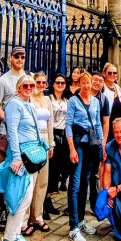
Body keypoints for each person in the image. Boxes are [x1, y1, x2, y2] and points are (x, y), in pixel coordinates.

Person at [0, 75, 41, 241]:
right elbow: (12, 131)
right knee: (20, 197)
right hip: (21, 156)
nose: (29, 87)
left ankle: (15, 235)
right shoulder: (14, 104)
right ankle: (7, 240)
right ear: (18, 88)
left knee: (27, 196)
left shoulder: (29, 105)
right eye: (25, 85)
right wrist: (16, 157)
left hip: (31, 155)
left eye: (31, 85)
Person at [0, 46, 28, 225]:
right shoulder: (3, 81)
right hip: (7, 134)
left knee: (23, 172)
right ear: (10, 59)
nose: (20, 60)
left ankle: (19, 211)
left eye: (22, 57)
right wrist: (11, 120)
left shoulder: (27, 78)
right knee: (6, 171)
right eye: (17, 57)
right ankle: (3, 210)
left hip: (25, 137)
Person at [65, 71, 104, 241]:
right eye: (84, 83)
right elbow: (68, 125)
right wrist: (72, 148)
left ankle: (81, 219)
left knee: (85, 183)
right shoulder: (73, 101)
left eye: (89, 83)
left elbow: (97, 124)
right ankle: (73, 226)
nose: (87, 86)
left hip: (92, 145)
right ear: (79, 84)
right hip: (79, 144)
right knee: (75, 183)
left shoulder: (96, 101)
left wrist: (102, 146)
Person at [26, 72, 55, 235]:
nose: (41, 85)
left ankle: (37, 216)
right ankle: (24, 219)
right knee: (30, 181)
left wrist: (51, 143)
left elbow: (50, 123)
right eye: (38, 82)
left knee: (42, 181)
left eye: (44, 83)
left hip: (44, 140)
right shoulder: (29, 99)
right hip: (31, 142)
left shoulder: (47, 100)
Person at [88, 72, 111, 213]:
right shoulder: (81, 93)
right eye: (95, 80)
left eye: (100, 81)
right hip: (83, 140)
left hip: (96, 140)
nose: (97, 83)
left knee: (94, 174)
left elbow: (105, 122)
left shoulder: (103, 99)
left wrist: (103, 142)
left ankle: (93, 203)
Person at [46, 73, 69, 206]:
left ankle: (49, 199)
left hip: (64, 136)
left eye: (62, 83)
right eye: (57, 82)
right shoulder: (48, 99)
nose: (60, 85)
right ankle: (46, 200)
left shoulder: (67, 100)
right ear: (53, 84)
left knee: (58, 169)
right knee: (51, 168)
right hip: (52, 133)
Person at [102, 62, 121, 136]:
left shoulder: (117, 87)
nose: (112, 75)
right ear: (104, 74)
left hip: (117, 130)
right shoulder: (102, 87)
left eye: (115, 73)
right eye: (109, 73)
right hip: (105, 129)